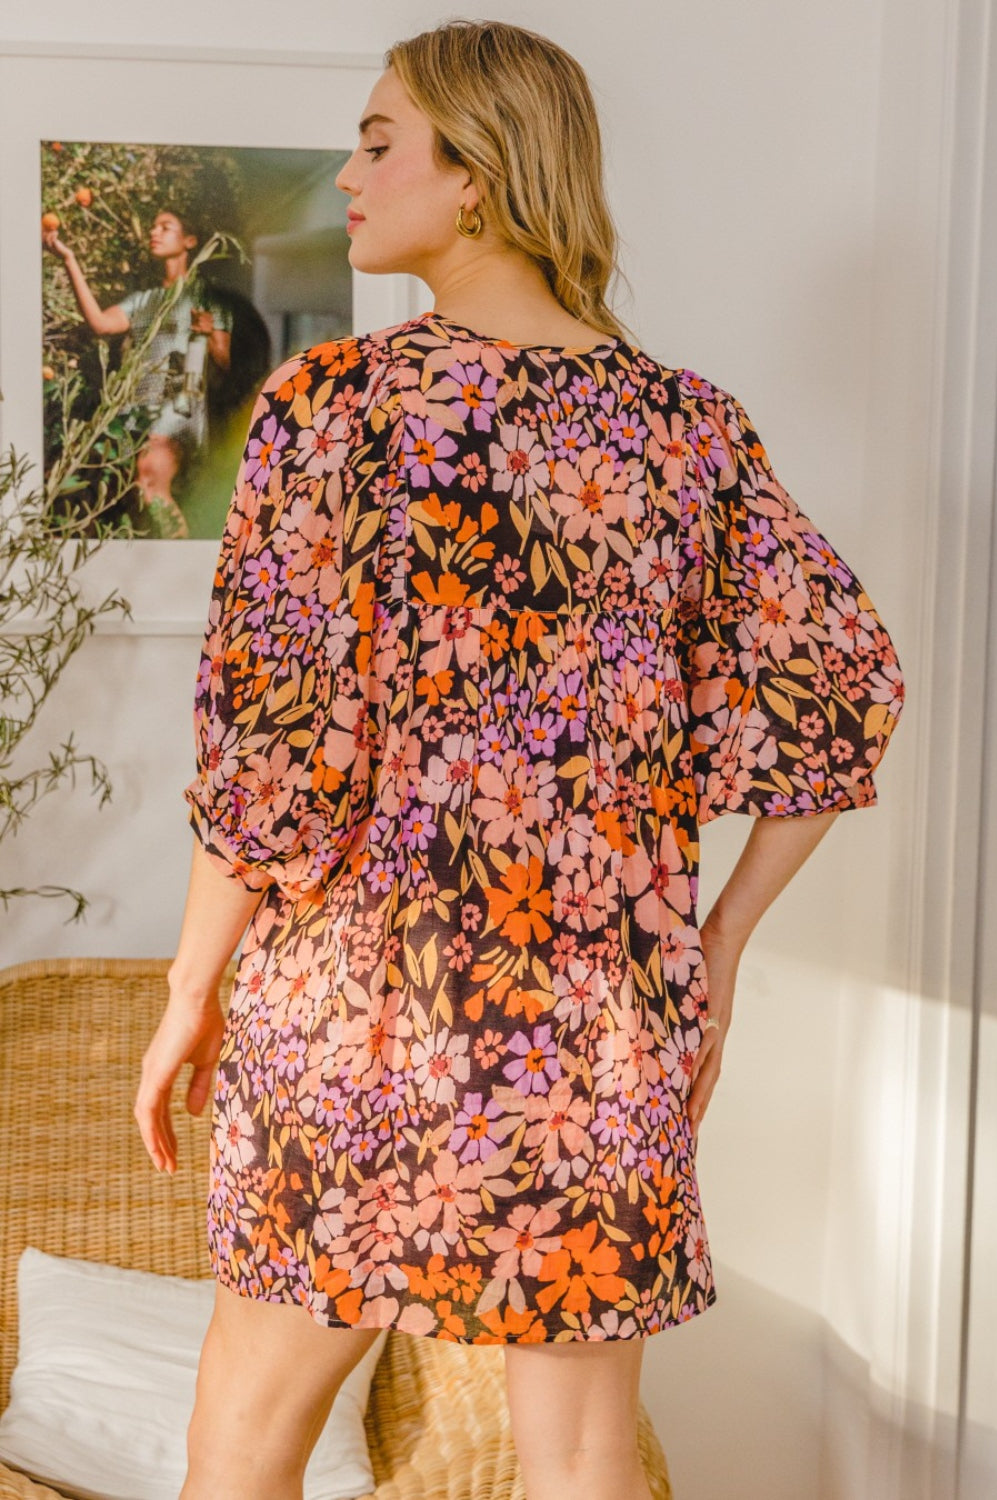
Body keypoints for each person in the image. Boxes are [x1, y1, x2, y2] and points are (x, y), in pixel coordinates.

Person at [134, 19, 905, 1500]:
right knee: (582, 1457)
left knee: (242, 1441)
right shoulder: (687, 431)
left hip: (360, 1019)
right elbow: (846, 688)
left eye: (378, 141)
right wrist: (719, 945)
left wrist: (188, 990)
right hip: (597, 1035)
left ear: (477, 177)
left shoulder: (334, 414)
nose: (349, 172)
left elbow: (272, 761)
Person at [43, 207, 234, 537]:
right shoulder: (144, 300)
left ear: (190, 241)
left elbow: (225, 361)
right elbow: (101, 324)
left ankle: (184, 568)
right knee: (138, 497)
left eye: (165, 227)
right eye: (152, 226)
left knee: (148, 482)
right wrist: (68, 260)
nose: (154, 232)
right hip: (137, 412)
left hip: (178, 410)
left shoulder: (207, 299)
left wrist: (210, 334)